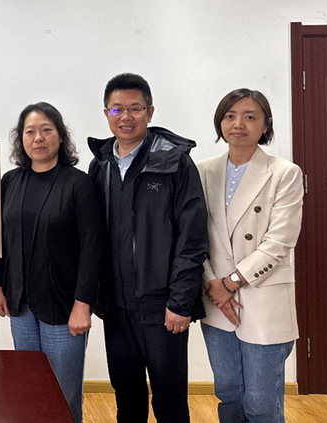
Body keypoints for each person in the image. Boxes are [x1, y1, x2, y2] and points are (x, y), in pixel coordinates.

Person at [87, 73, 208, 422]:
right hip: (115, 307)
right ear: (106, 114)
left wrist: (180, 302)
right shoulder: (101, 165)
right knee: (127, 398)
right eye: (117, 109)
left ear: (150, 112)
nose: (125, 116)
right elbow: (93, 235)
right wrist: (96, 294)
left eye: (135, 108)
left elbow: (192, 238)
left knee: (170, 402)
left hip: (163, 307)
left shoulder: (174, 163)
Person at [0, 102, 106, 422]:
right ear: (21, 139)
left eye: (46, 130)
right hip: (21, 303)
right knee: (29, 387)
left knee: (63, 393)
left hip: (64, 304)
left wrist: (83, 303)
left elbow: (93, 247)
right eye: (30, 132)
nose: (38, 138)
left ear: (60, 136)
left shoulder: (78, 184)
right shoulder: (10, 182)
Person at [198, 89, 303, 423]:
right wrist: (212, 282)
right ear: (220, 122)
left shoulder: (284, 172)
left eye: (250, 116)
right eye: (230, 116)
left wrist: (230, 282)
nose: (238, 124)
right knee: (228, 392)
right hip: (215, 298)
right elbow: (192, 236)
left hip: (262, 295)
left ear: (266, 124)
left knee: (261, 401)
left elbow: (280, 240)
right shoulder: (202, 171)